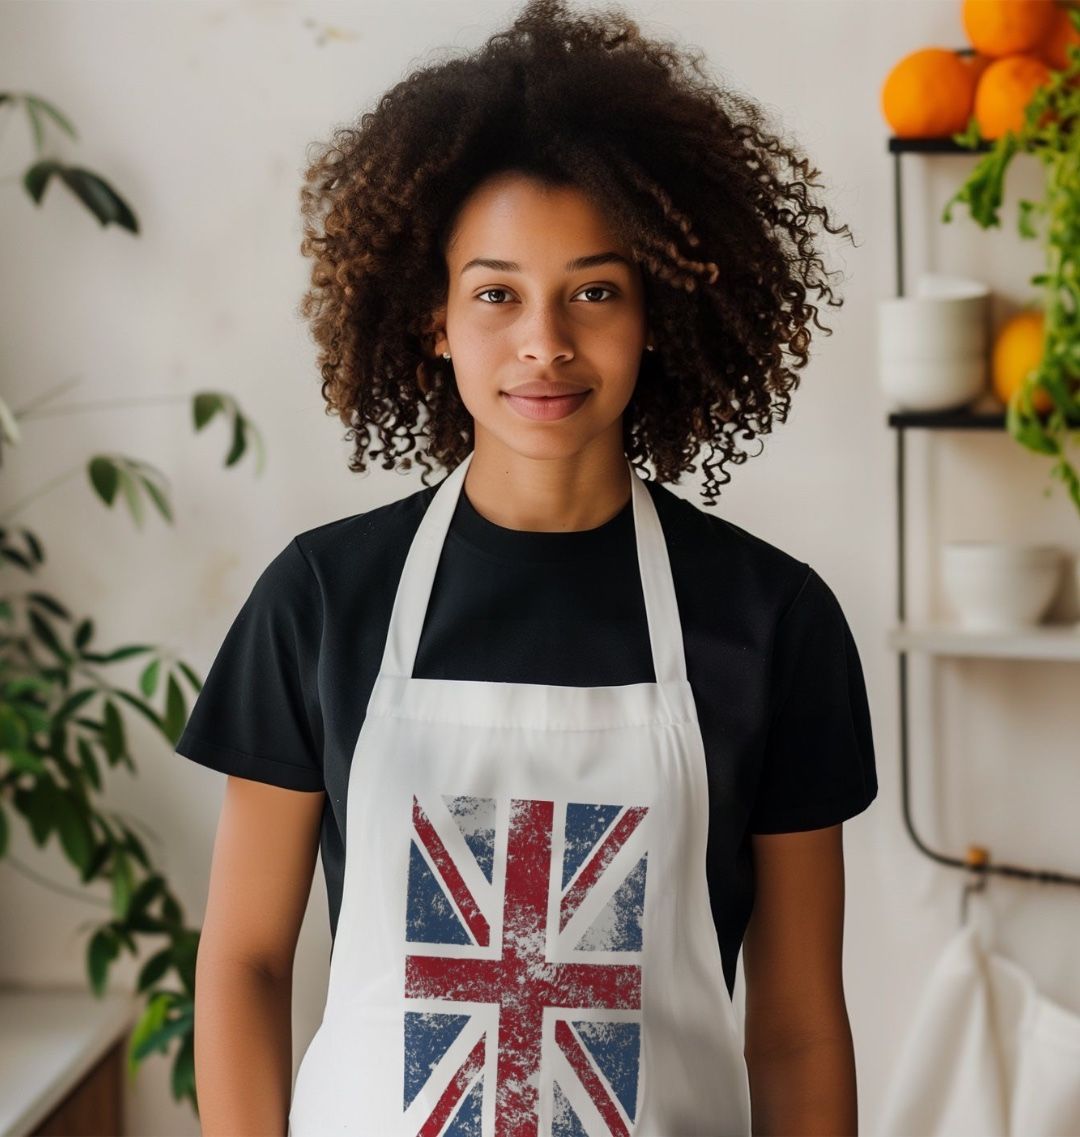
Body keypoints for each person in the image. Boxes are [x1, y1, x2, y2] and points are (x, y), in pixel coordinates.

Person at [178, 0, 878, 1133]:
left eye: (595, 290)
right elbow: (246, 962)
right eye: (496, 293)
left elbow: (798, 1024)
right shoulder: (320, 601)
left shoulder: (772, 620)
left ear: (660, 312)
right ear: (436, 322)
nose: (545, 341)